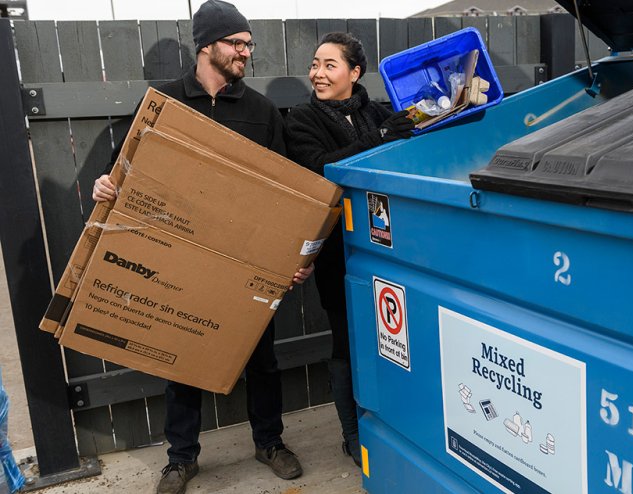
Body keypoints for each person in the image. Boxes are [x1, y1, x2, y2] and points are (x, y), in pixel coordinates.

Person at [92, 1, 306, 492]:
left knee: (262, 358)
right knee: (180, 359)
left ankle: (269, 441)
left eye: (249, 44)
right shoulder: (163, 103)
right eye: (236, 43)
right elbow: (120, 173)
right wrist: (105, 185)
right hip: (179, 264)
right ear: (206, 44)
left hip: (246, 264)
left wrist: (293, 258)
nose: (245, 53)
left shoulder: (261, 113)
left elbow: (289, 199)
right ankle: (181, 458)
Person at [284, 32, 414, 467]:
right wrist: (380, 138)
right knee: (346, 342)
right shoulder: (301, 119)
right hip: (340, 252)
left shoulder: (378, 111)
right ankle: (353, 433)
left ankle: (394, 422)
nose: (318, 74)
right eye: (315, 64)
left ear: (354, 73)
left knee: (392, 343)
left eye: (329, 65)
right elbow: (322, 170)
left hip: (391, 249)